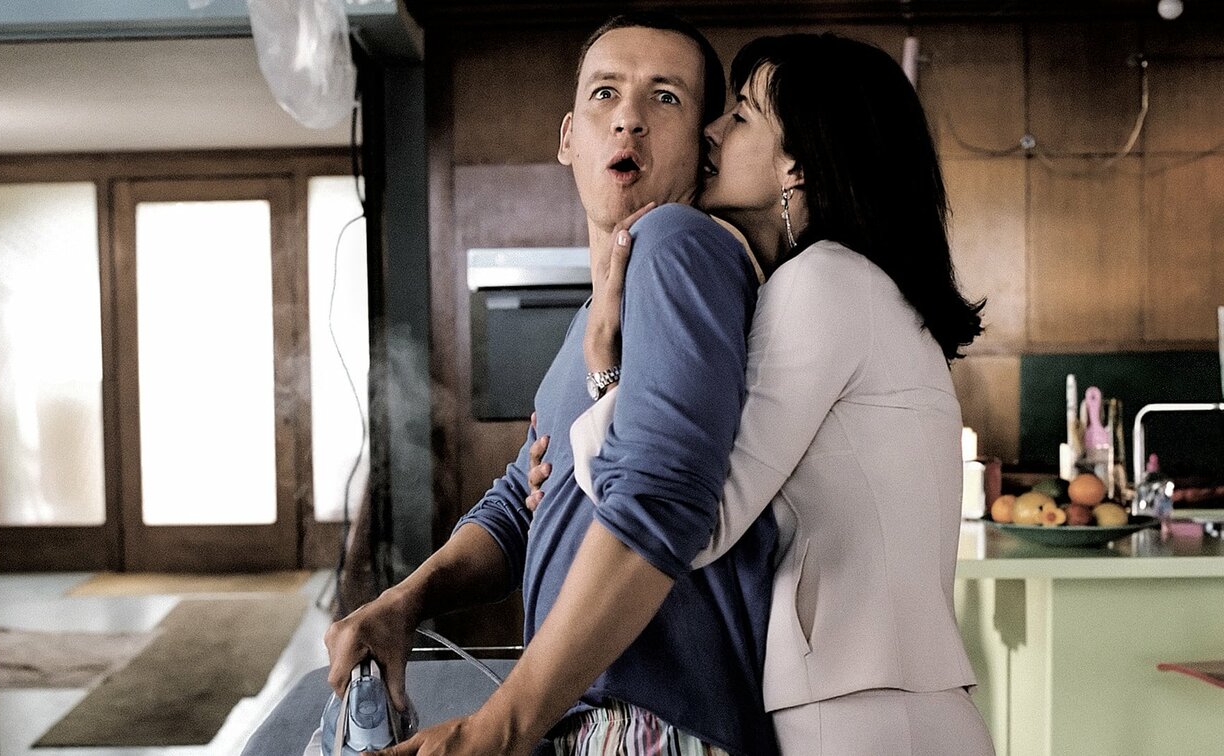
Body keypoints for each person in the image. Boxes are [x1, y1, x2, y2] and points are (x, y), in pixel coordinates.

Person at [324, 13, 778, 756]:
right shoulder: (592, 321)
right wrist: (405, 602)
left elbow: (662, 498)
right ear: (569, 137)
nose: (628, 117)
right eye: (605, 93)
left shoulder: (677, 244)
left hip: (651, 724)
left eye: (665, 97)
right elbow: (520, 503)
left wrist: (499, 728)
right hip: (587, 715)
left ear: (704, 148)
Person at [549, 32, 995, 755]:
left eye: (742, 116)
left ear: (798, 164)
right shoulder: (861, 286)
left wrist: (606, 366)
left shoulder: (821, 282)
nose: (713, 131)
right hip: (885, 702)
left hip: (858, 714)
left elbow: (698, 524)